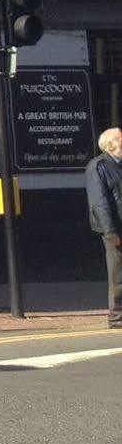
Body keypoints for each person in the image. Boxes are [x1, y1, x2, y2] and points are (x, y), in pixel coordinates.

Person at [85, 128, 122, 327]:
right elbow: (99, 202)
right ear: (110, 145)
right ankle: (117, 317)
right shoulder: (97, 166)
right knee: (118, 274)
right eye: (121, 139)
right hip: (115, 228)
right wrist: (110, 231)